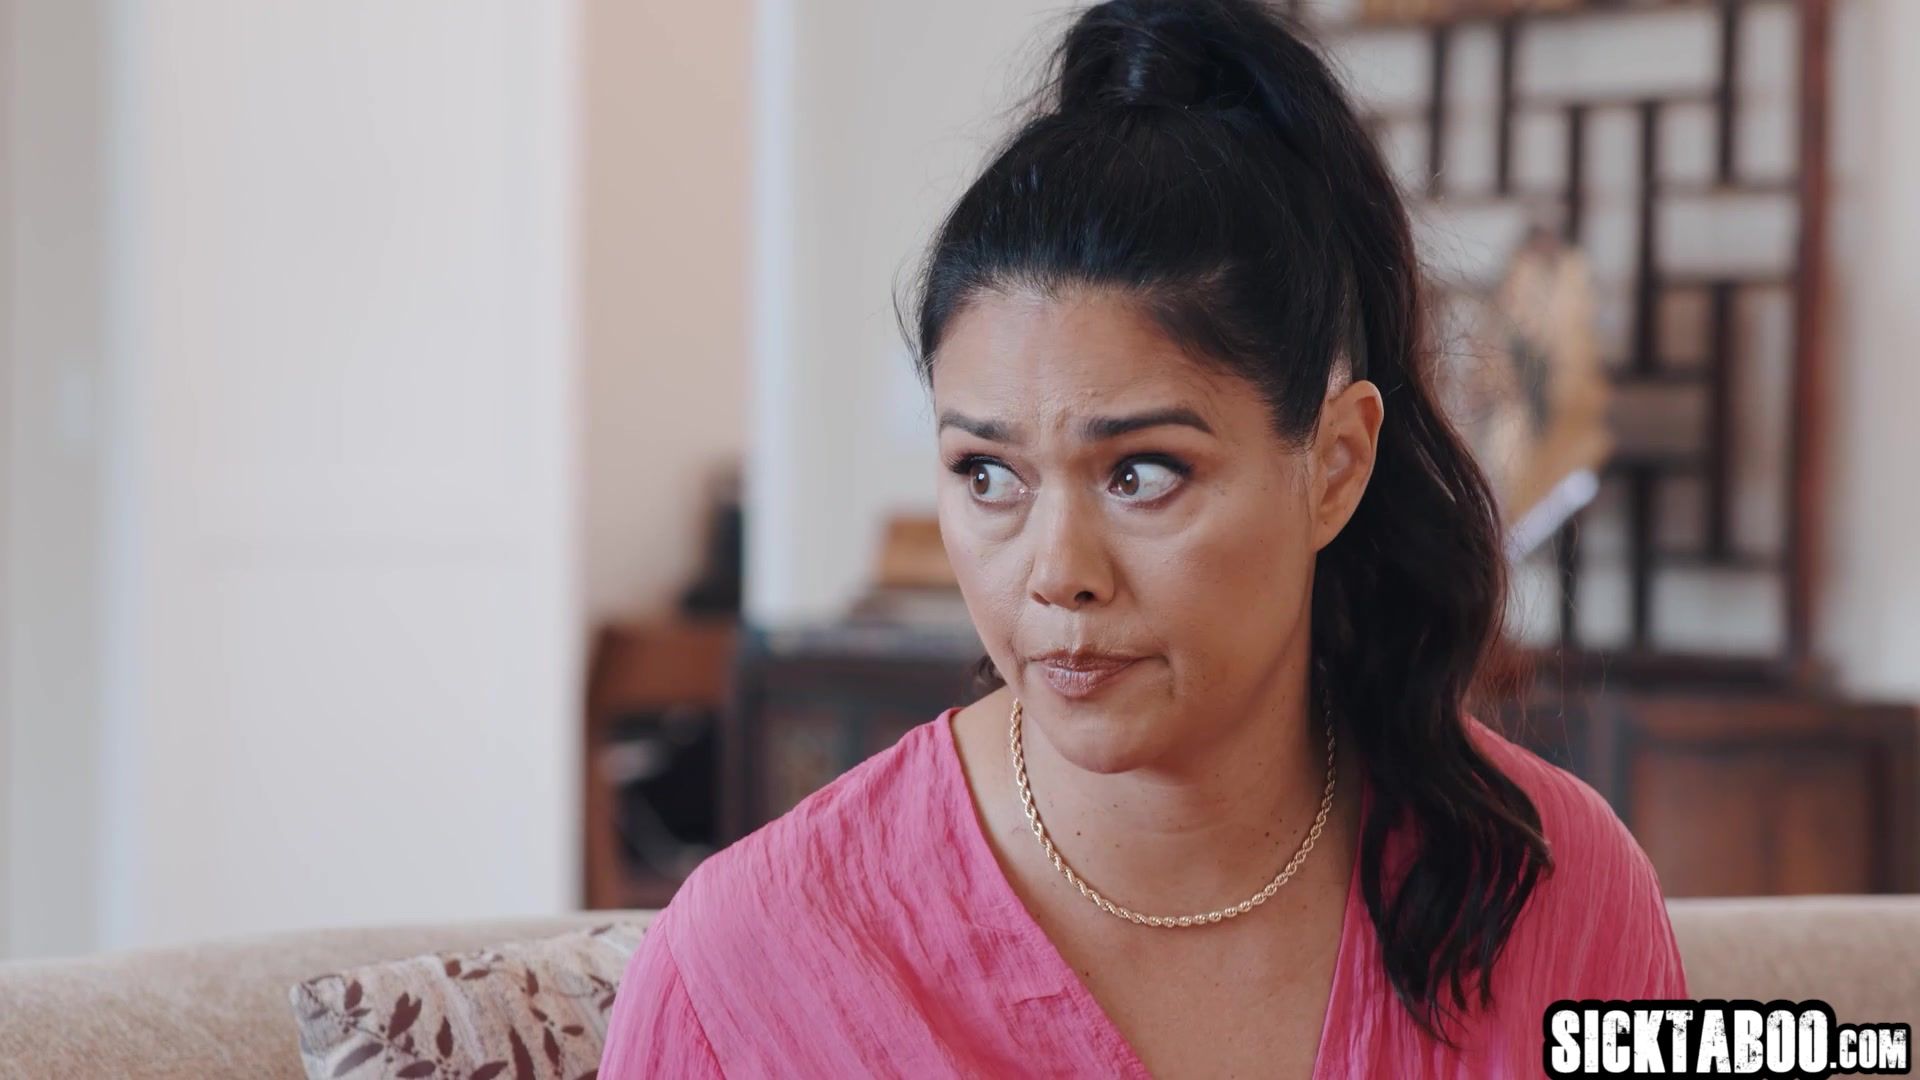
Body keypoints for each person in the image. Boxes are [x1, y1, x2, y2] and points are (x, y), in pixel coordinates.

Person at [600, 0, 1686, 1075]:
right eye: (989, 475)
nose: (1057, 574)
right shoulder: (754, 969)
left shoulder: (1555, 893)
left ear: (1336, 465)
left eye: (1141, 474)